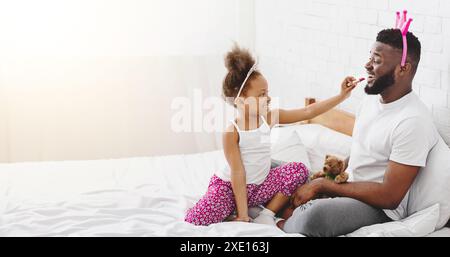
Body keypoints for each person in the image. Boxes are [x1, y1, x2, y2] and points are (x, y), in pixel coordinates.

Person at [279, 29, 440, 236]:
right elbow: (364, 151)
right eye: (369, 57)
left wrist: (322, 186)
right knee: (278, 171)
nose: (367, 65)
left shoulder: (413, 121)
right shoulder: (371, 100)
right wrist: (332, 174)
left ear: (403, 69)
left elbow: (390, 196)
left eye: (377, 60)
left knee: (314, 217)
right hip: (345, 186)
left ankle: (284, 223)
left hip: (377, 208)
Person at [185, 44, 361, 226]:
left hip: (259, 186)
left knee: (298, 170)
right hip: (231, 187)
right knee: (195, 219)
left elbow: (308, 111)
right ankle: (238, 209)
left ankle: (266, 214)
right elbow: (238, 173)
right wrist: (243, 216)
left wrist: (342, 96)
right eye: (262, 95)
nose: (268, 98)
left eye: (267, 93)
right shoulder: (232, 132)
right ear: (240, 100)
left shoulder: (269, 117)